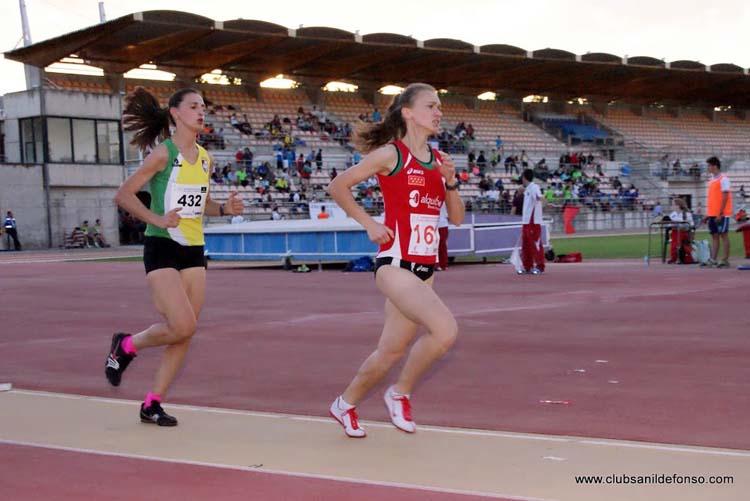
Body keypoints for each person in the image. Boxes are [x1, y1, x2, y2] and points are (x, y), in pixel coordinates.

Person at [326, 83, 465, 438]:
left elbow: (458, 218)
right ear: (407, 112)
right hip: (395, 264)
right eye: (431, 105)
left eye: (440, 106)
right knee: (446, 330)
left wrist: (450, 183)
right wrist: (369, 223)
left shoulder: (437, 160)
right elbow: (338, 186)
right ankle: (399, 393)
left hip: (425, 270)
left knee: (389, 352)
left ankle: (344, 404)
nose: (439, 112)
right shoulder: (391, 155)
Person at [105, 87, 244, 427]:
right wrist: (157, 219)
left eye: (203, 107)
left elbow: (203, 205)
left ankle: (152, 403)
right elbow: (123, 195)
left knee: (185, 332)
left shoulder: (206, 158)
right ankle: (126, 346)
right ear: (176, 113)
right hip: (162, 245)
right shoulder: (163, 154)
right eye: (194, 107)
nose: (201, 112)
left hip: (194, 250)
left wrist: (224, 208)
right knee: (181, 324)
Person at [702, 156, 732, 268]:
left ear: (715, 165)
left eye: (709, 165)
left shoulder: (723, 179)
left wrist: (720, 213)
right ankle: (713, 259)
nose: (708, 168)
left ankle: (725, 259)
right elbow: (712, 198)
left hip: (722, 213)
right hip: (712, 213)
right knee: (714, 236)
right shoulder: (712, 180)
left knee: (724, 235)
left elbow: (725, 196)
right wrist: (708, 214)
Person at [519, 169, 545, 274]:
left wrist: (545, 202)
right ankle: (527, 266)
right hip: (525, 221)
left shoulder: (535, 187)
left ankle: (539, 266)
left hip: (533, 221)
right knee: (525, 244)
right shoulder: (527, 189)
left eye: (522, 177)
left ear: (525, 177)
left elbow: (539, 197)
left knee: (535, 243)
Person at [667, 198, 694, 264]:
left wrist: (680, 222)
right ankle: (674, 257)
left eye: (673, 205)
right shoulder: (672, 214)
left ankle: (677, 257)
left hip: (684, 232)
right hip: (675, 232)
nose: (672, 206)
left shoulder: (687, 214)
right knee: (674, 237)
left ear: (678, 206)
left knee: (677, 239)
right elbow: (669, 224)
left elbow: (691, 224)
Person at [437, 203, 449, 271]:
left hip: (442, 224)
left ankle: (443, 264)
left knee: (442, 245)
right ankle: (437, 264)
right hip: (433, 223)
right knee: (436, 246)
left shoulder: (444, 198)